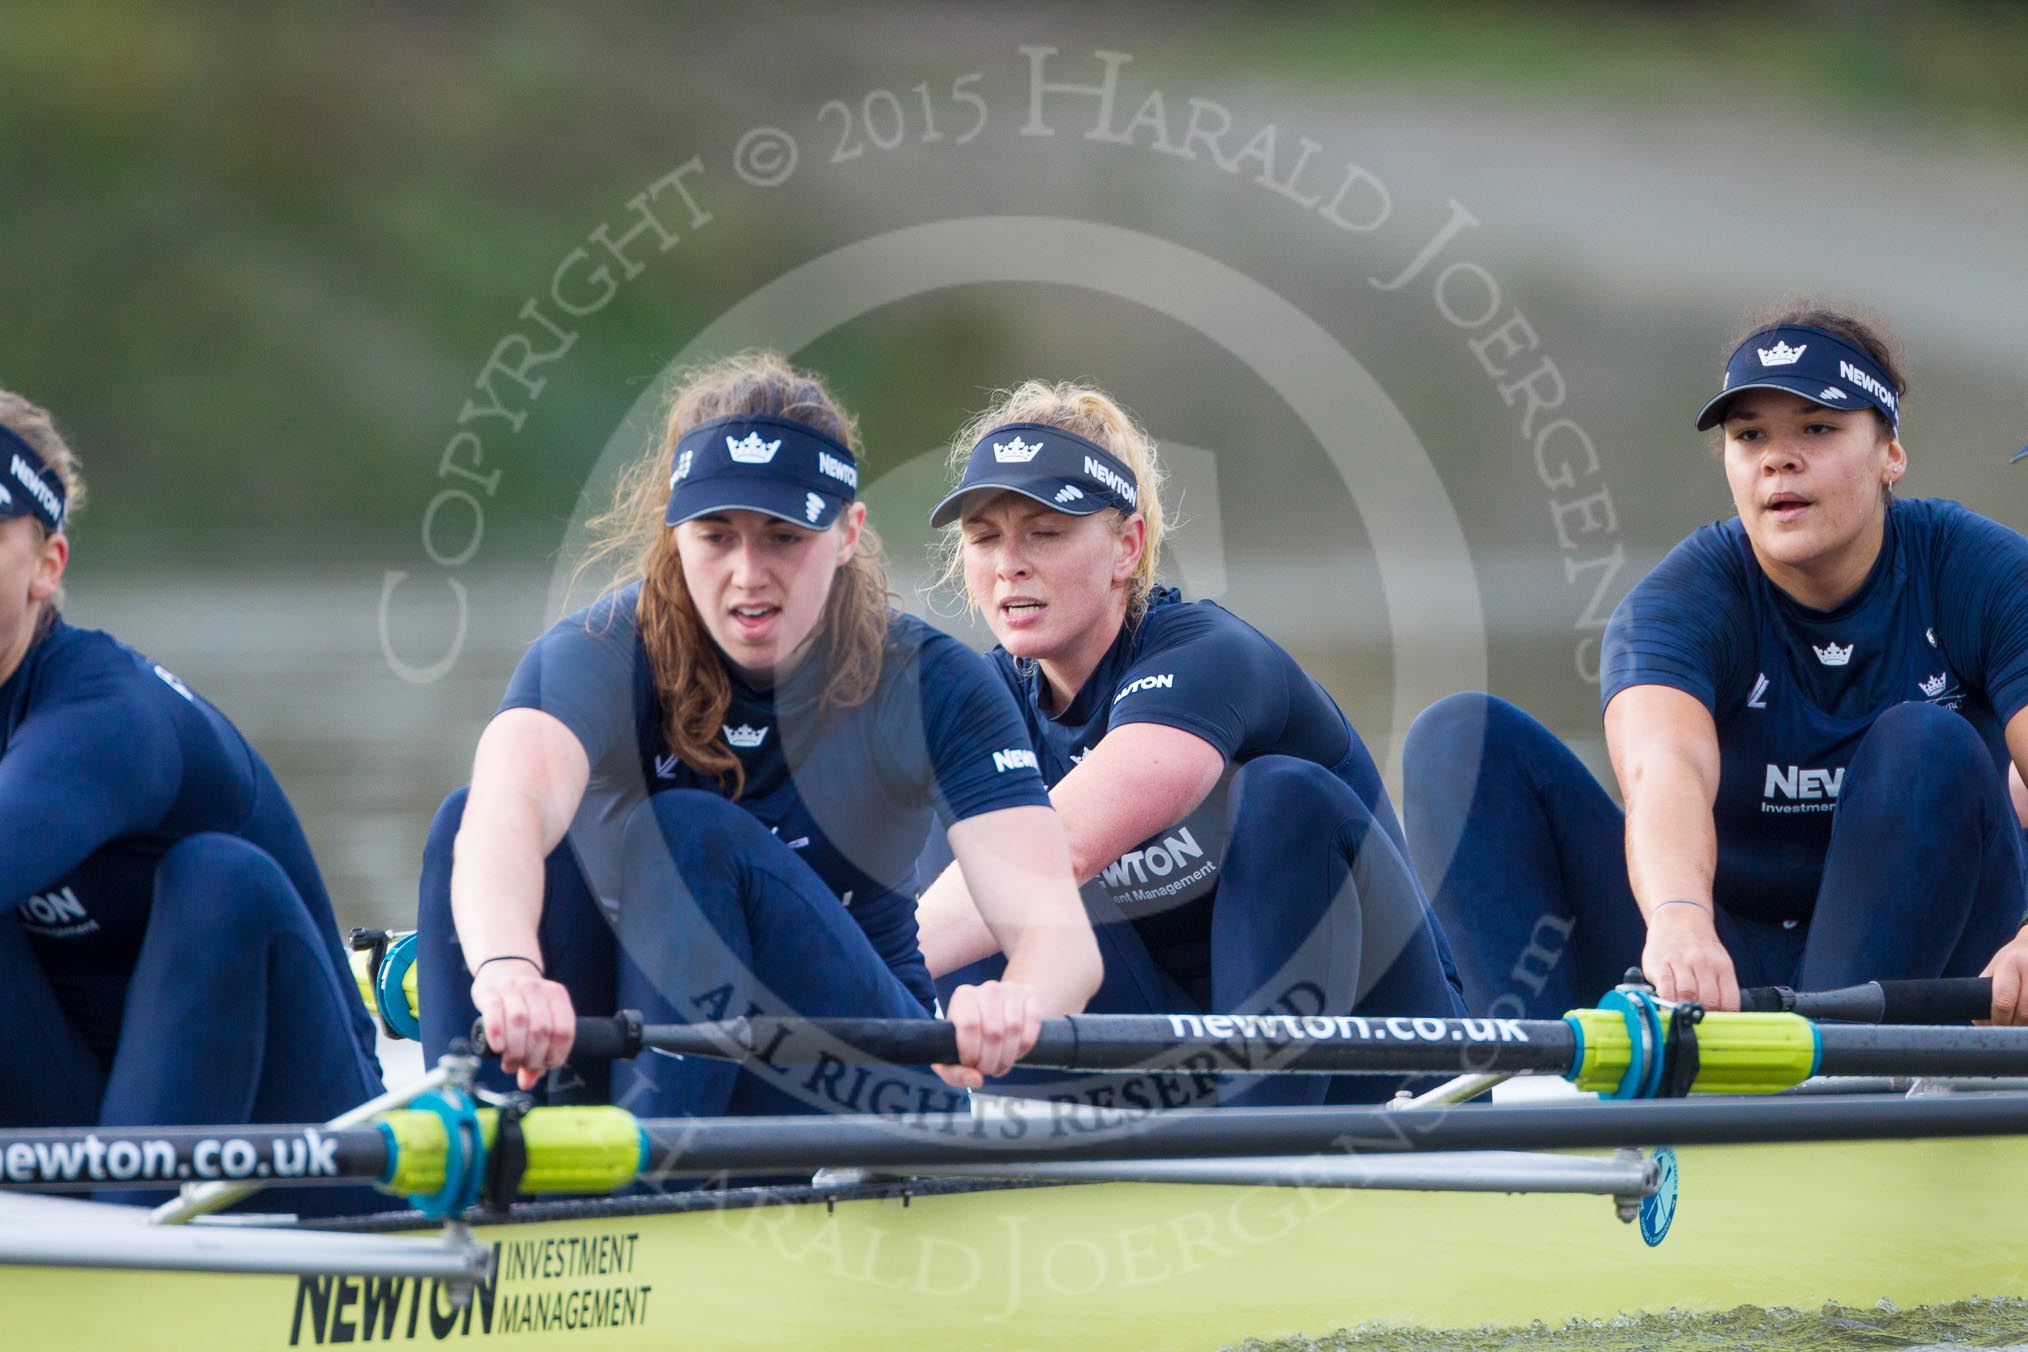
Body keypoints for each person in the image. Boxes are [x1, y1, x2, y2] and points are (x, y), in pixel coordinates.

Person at [417, 353, 1099, 1118]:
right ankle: (480, 1158)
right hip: (660, 1039)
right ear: (675, 536)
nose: (748, 574)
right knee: (460, 824)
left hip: (863, 1074)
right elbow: (506, 810)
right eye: (716, 537)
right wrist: (508, 968)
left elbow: (1062, 946)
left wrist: (1011, 1004)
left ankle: (650, 1188)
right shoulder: (602, 650)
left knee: (690, 833)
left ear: (846, 533)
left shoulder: (931, 681)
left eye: (783, 537)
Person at [1404, 307, 2028, 1023]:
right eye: (1750, 435)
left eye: (1817, 429)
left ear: (1891, 452)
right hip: (1720, 959)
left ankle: (1830, 1093)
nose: (1777, 459)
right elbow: (1664, 769)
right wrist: (1677, 919)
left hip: (1935, 960)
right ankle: (1530, 1082)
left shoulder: (1981, 571)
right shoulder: (1684, 599)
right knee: (1458, 739)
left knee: (1928, 742)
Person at [915, 382, 1465, 1109]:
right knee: (949, 839)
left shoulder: (1211, 659)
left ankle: (1248, 1153)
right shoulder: (982, 705)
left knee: (1283, 796)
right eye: (986, 538)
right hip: (1175, 1061)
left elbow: (1063, 851)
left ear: (1127, 547)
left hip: (1382, 1052)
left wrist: (831, 971)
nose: (1009, 563)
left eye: (1045, 533)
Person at [0, 390, 382, 1202]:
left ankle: (120, 1284)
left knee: (218, 879)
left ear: (47, 565)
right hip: (95, 1128)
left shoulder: (107, 715)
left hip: (303, 1131)